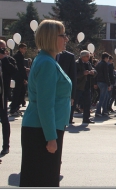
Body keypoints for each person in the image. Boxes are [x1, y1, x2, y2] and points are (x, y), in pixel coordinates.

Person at [19, 19, 72, 187]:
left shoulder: (45, 59)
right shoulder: (47, 63)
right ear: (51, 37)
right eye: (63, 35)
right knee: (43, 181)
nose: (66, 39)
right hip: (42, 131)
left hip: (41, 128)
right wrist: (51, 138)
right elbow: (45, 104)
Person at [0, 40, 18, 155]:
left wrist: (4, 58)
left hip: (2, 95)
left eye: (2, 48)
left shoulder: (9, 60)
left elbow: (16, 73)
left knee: (4, 121)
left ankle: (6, 146)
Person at [76, 50, 97, 124]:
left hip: (87, 86)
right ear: (83, 57)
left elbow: (94, 71)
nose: (89, 58)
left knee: (87, 103)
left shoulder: (88, 63)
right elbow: (74, 75)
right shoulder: (77, 63)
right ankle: (69, 118)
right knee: (74, 102)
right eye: (87, 56)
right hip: (79, 86)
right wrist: (83, 73)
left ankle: (86, 118)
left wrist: (92, 72)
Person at [56, 50, 77, 124]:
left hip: (63, 93)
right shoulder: (44, 55)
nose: (66, 39)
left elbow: (73, 77)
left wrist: (72, 96)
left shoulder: (69, 56)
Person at [9, 43, 28, 115]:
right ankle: (14, 108)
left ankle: (17, 105)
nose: (25, 50)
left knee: (22, 91)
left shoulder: (17, 56)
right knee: (17, 92)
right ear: (20, 48)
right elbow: (20, 68)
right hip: (19, 77)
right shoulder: (19, 56)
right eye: (24, 48)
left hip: (17, 76)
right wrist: (25, 78)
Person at [94, 52, 111, 117]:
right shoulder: (105, 65)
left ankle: (105, 111)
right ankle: (98, 111)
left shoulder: (98, 64)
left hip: (99, 82)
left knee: (105, 96)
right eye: (108, 58)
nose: (108, 60)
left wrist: (95, 83)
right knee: (103, 97)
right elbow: (106, 75)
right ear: (106, 58)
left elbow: (96, 74)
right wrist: (109, 84)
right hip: (104, 82)